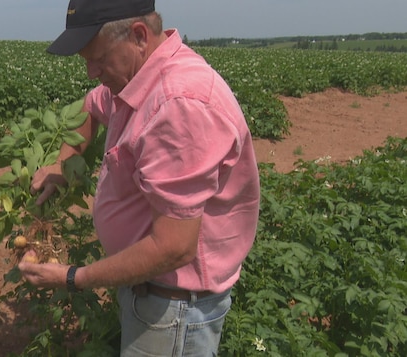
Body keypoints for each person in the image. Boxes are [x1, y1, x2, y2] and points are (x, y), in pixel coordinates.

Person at [18, 0, 261, 355]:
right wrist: (62, 163)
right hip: (151, 296)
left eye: (98, 58)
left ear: (138, 36)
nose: (90, 71)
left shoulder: (177, 106)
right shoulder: (136, 79)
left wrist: (74, 277)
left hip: (174, 311)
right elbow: (89, 106)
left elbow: (174, 246)